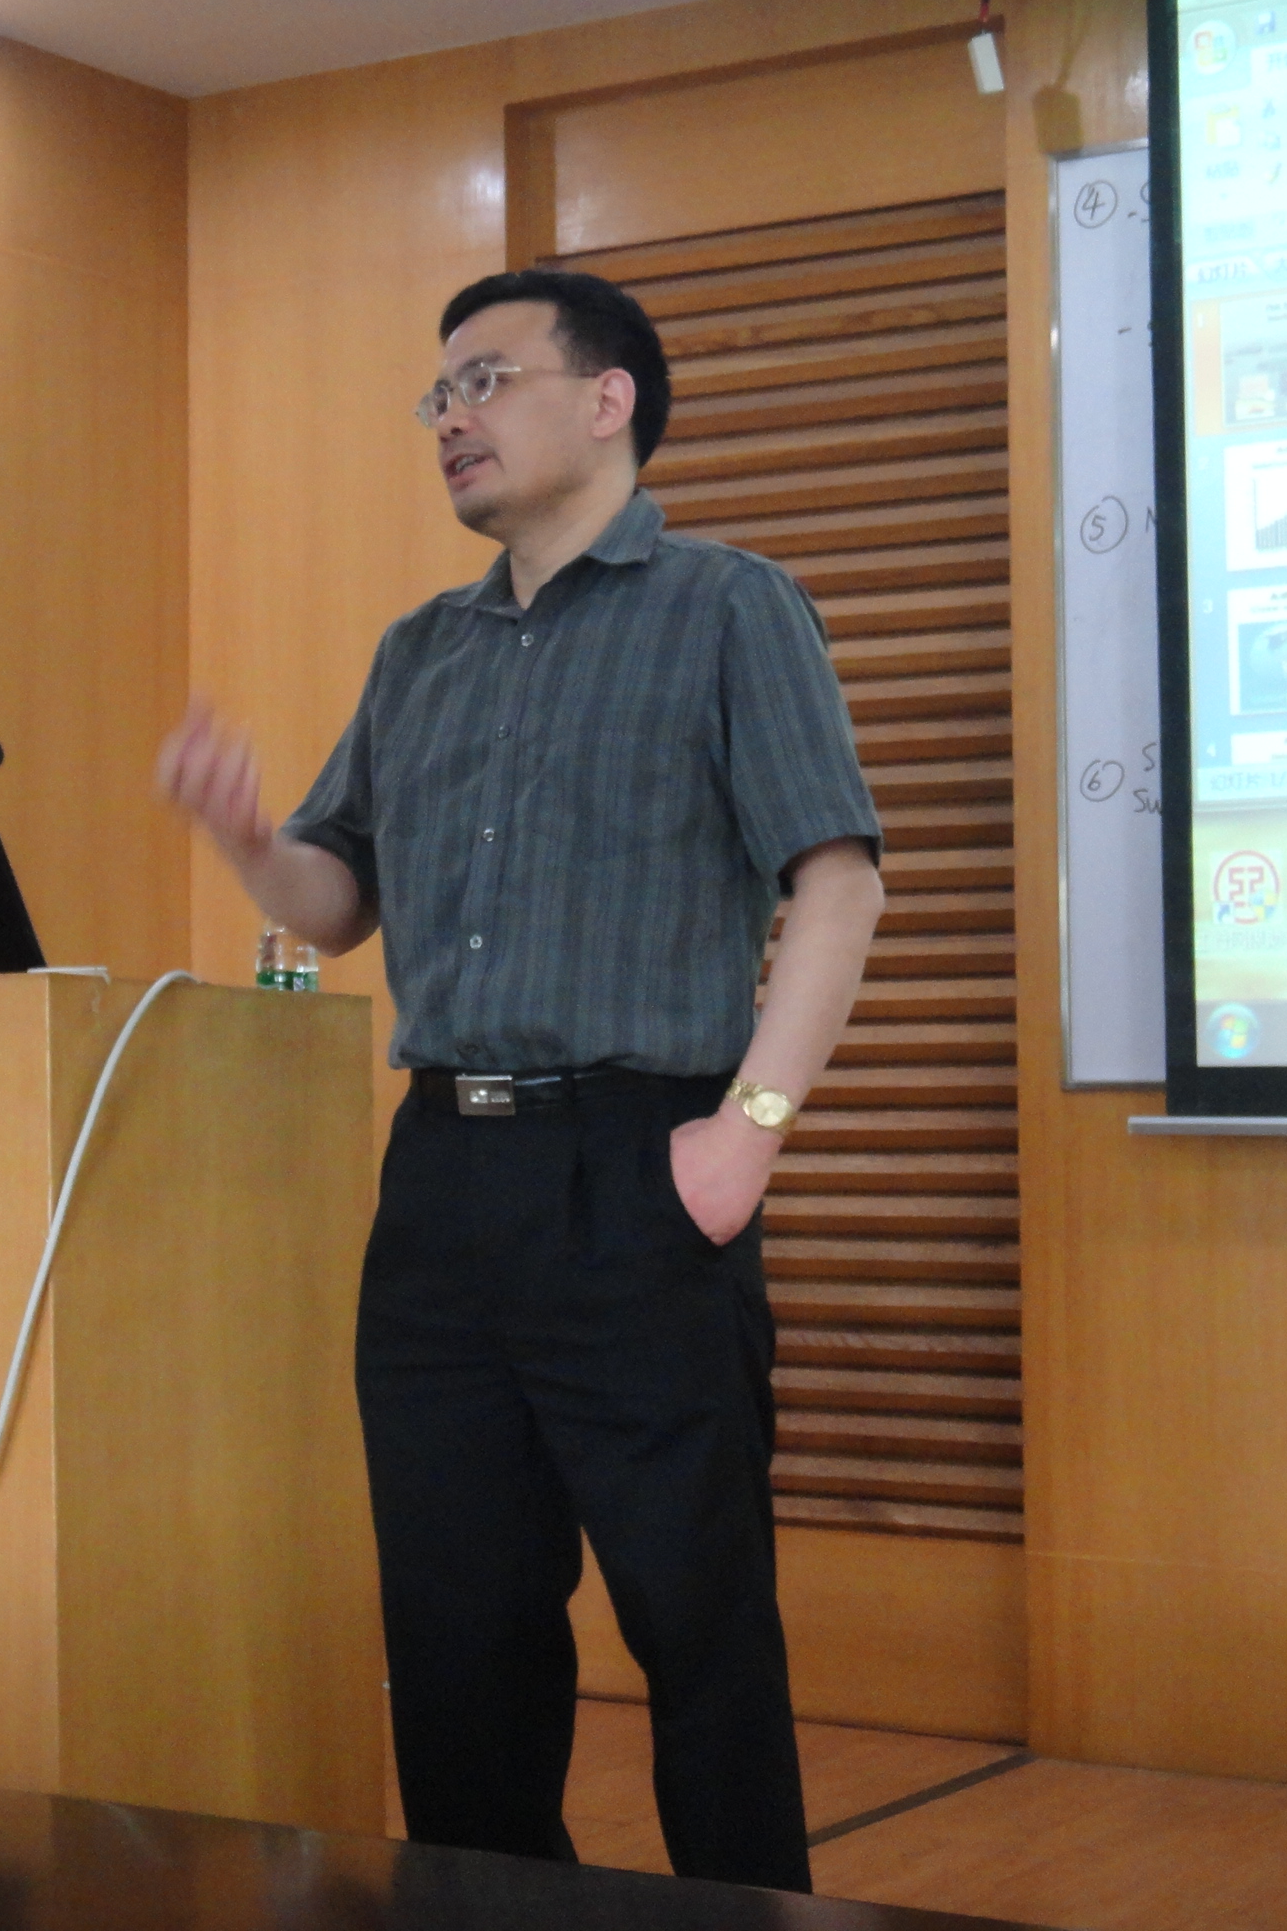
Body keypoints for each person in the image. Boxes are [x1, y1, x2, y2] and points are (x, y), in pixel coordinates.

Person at [156, 268, 884, 1893]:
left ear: (609, 399)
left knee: (697, 1626)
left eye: (484, 381)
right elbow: (333, 908)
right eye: (437, 396)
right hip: (441, 1188)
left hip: (642, 1172)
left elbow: (838, 884)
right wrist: (246, 833)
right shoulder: (422, 650)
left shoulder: (728, 607)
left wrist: (747, 1134)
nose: (450, 420)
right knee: (457, 1632)